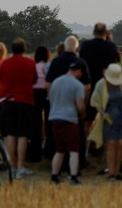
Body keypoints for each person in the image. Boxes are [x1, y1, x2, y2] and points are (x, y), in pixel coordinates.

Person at [46, 36, 91, 164]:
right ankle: (78, 162)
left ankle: (57, 161)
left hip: (57, 105)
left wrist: (53, 101)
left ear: (64, 46)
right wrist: (83, 103)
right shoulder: (81, 63)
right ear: (76, 48)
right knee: (76, 137)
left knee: (58, 138)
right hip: (75, 105)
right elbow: (87, 87)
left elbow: (48, 85)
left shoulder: (56, 61)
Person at [0, 37, 37, 179]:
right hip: (25, 102)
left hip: (8, 102)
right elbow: (34, 79)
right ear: (24, 49)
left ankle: (12, 165)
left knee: (10, 134)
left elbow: (1, 79)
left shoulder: (5, 64)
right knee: (22, 135)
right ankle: (21, 166)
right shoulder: (29, 63)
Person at [89, 64, 122, 181]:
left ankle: (118, 170)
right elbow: (95, 101)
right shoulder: (101, 85)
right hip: (109, 118)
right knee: (111, 144)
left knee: (121, 144)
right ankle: (111, 172)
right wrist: (103, 113)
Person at [48, 59, 87, 185]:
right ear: (79, 71)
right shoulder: (78, 85)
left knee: (59, 150)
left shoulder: (55, 82)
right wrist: (82, 115)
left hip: (55, 118)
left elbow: (51, 99)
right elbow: (80, 106)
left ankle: (54, 176)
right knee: (74, 150)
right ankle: (73, 176)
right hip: (69, 119)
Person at [79, 22, 120, 131]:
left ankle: (86, 143)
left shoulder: (86, 45)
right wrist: (110, 40)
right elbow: (117, 59)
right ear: (106, 32)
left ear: (93, 32)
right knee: (107, 116)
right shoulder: (110, 46)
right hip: (106, 85)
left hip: (89, 83)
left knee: (87, 119)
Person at [30, 45, 52, 162]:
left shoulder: (34, 66)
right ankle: (49, 150)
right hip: (47, 93)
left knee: (36, 124)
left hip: (35, 93)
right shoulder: (49, 66)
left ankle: (35, 152)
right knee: (49, 123)